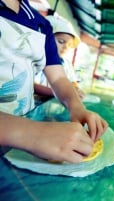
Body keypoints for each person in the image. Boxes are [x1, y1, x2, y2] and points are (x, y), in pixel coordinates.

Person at [0, 0, 108, 163]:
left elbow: (58, 78)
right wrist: (35, 135)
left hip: (22, 140)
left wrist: (76, 107)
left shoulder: (41, 25)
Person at [34, 15, 85, 100]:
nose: (65, 47)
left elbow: (72, 82)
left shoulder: (66, 63)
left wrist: (76, 89)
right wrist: (60, 93)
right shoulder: (35, 59)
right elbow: (31, 85)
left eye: (69, 45)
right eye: (61, 41)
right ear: (44, 38)